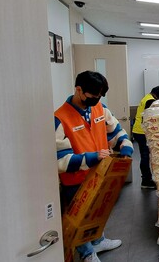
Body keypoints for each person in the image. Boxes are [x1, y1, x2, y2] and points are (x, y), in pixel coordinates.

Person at [55, 71, 133, 262]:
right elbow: (60, 160)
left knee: (98, 212)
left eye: (100, 96)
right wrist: (91, 158)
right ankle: (87, 254)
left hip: (101, 175)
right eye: (93, 96)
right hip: (76, 180)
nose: (96, 100)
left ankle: (99, 240)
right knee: (80, 219)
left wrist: (125, 146)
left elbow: (116, 132)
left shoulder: (100, 109)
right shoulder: (60, 118)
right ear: (79, 90)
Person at [131, 85, 159, 189]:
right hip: (142, 132)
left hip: (139, 130)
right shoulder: (150, 101)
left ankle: (148, 178)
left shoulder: (147, 97)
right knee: (145, 156)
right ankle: (146, 180)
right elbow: (151, 117)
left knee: (146, 155)